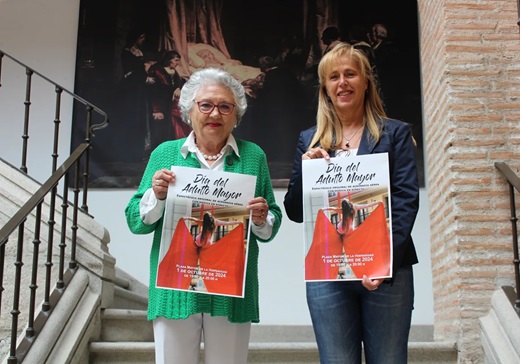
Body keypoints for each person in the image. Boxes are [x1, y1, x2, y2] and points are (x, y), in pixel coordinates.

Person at [125, 67, 282, 364]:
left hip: (232, 290)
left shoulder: (253, 156)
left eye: (225, 106)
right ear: (189, 110)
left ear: (236, 115)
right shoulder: (164, 154)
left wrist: (261, 217)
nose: (215, 114)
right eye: (206, 105)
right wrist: (156, 196)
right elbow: (135, 220)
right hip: (175, 288)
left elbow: (271, 221)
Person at [283, 42, 419, 363]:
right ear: (325, 89)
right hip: (328, 273)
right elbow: (294, 210)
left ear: (366, 81)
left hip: (386, 273)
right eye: (333, 77)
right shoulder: (309, 139)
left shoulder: (394, 134)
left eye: (350, 74)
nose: (342, 82)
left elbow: (405, 202)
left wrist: (383, 263)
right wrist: (306, 169)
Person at [147, 50, 191, 150]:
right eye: (176, 60)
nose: (177, 63)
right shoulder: (157, 72)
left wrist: (178, 88)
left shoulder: (174, 72)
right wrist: (156, 110)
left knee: (171, 130)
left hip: (170, 107)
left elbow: (179, 83)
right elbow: (154, 93)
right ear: (169, 60)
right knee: (159, 132)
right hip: (159, 106)